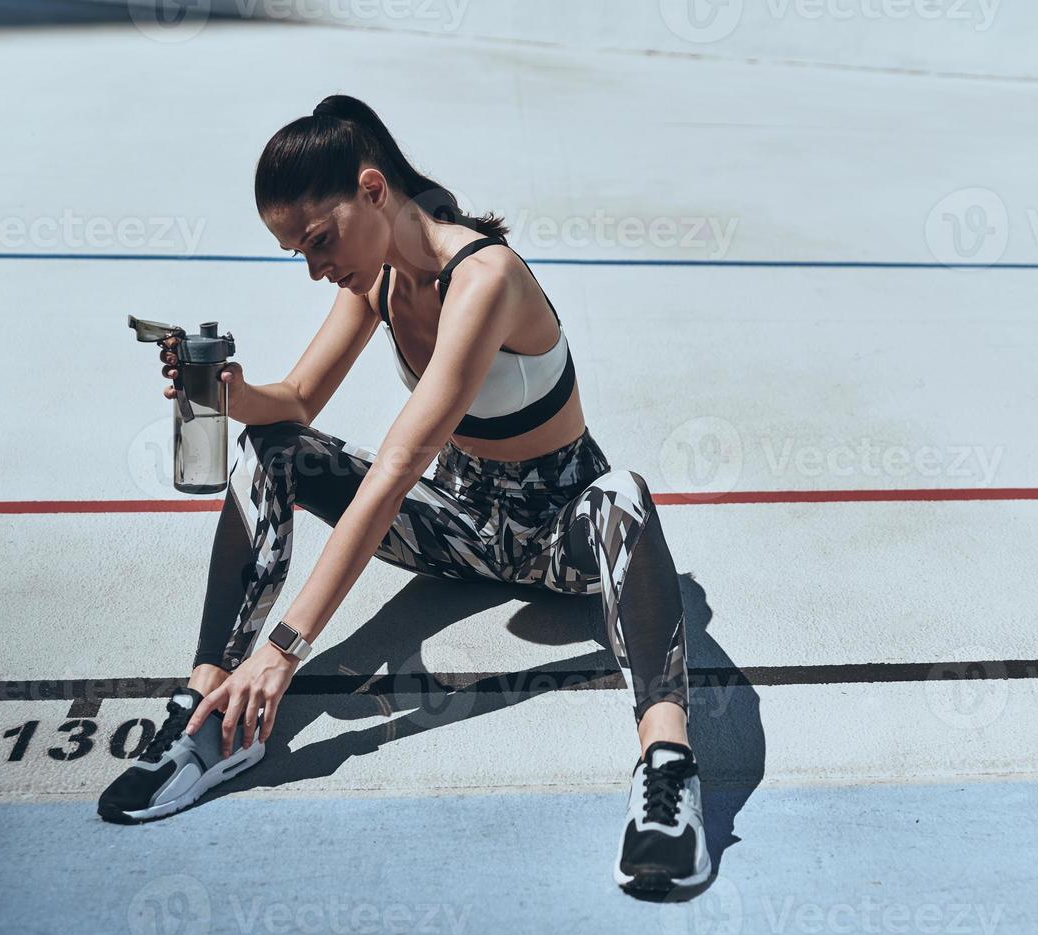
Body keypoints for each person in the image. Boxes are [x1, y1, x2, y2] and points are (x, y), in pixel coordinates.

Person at [98, 94, 709, 893]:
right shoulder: (376, 279)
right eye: (299, 254)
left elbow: (395, 467)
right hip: (459, 526)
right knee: (273, 449)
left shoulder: (486, 276)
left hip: (560, 534)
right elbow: (298, 403)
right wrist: (230, 394)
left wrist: (284, 650)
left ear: (374, 188)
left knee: (624, 492)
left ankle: (667, 773)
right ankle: (206, 709)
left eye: (319, 240)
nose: (317, 267)